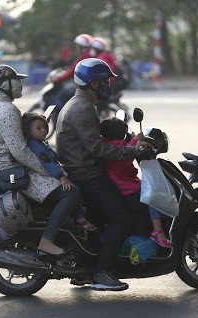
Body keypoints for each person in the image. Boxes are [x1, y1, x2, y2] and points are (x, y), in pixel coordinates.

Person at [56, 58, 151, 291]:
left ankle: (85, 269)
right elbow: (97, 148)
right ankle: (103, 272)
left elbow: (98, 141)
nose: (109, 85)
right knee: (121, 217)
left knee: (100, 219)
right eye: (106, 81)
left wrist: (128, 141)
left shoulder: (81, 103)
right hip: (87, 175)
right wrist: (131, 150)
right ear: (94, 84)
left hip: (83, 170)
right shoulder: (82, 108)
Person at [0, 64, 74, 257]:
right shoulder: (7, 110)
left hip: (3, 167)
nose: (19, 85)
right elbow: (19, 151)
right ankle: (47, 241)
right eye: (15, 81)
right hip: (13, 170)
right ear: (3, 84)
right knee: (72, 193)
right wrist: (49, 171)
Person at [100, 117, 172, 248]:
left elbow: (124, 148)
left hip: (124, 183)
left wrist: (132, 140)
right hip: (125, 187)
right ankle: (157, 230)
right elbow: (125, 155)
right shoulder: (115, 148)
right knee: (152, 195)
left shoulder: (106, 145)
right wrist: (135, 140)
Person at [21, 111, 97, 232]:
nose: (44, 131)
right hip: (44, 180)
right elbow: (47, 162)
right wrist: (61, 177)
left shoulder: (38, 142)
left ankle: (78, 214)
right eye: (39, 128)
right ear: (28, 131)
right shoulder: (34, 145)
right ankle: (79, 218)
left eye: (45, 127)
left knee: (77, 188)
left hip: (48, 176)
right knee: (73, 190)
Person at [52, 34, 94, 108]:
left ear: (82, 46)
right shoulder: (89, 55)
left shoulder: (85, 56)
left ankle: (64, 117)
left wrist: (59, 79)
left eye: (78, 46)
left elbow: (72, 72)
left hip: (85, 88)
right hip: (89, 86)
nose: (77, 48)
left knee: (62, 94)